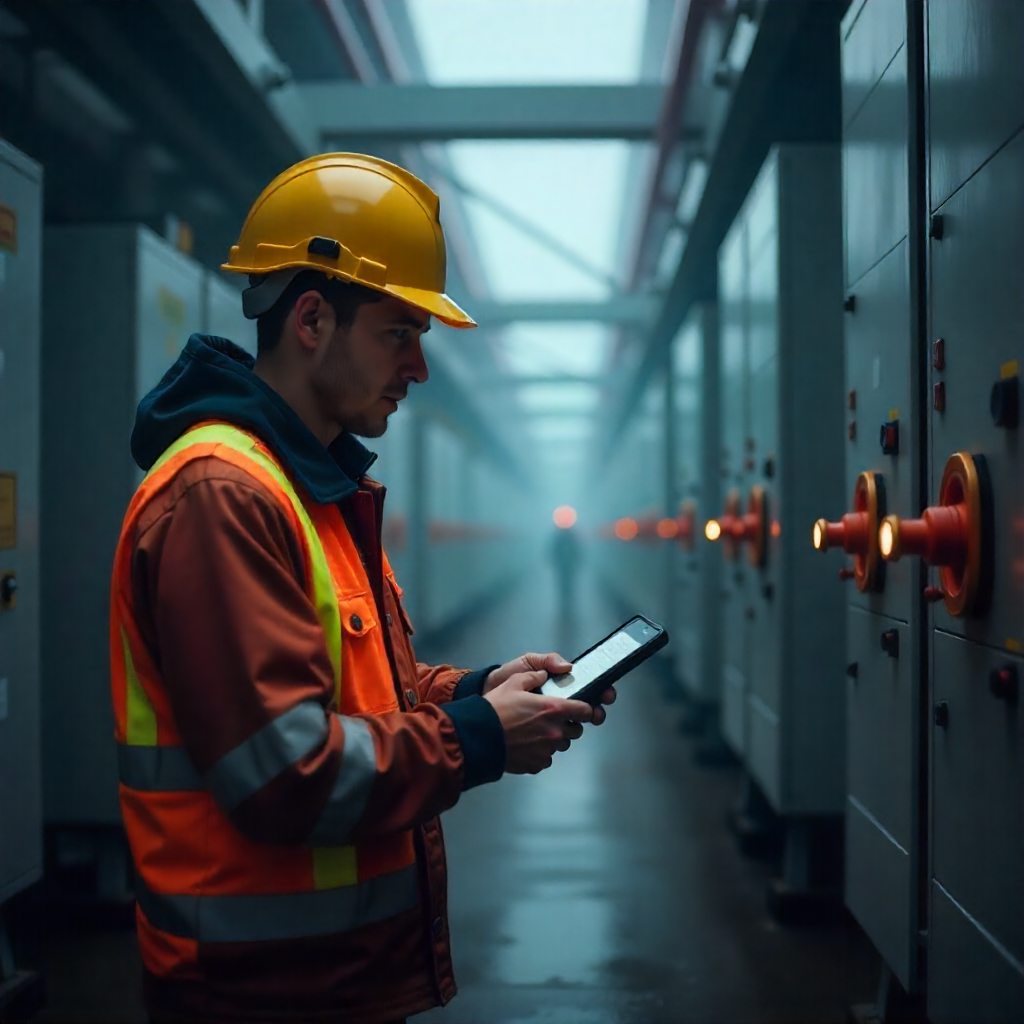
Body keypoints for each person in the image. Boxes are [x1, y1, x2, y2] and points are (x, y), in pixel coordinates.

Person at [108, 153, 615, 1024]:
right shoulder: (224, 497)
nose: (418, 367)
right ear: (311, 319)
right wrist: (480, 740)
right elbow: (288, 774)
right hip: (258, 991)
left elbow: (355, 694)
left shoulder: (309, 489)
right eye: (399, 334)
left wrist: (471, 692)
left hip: (323, 980)